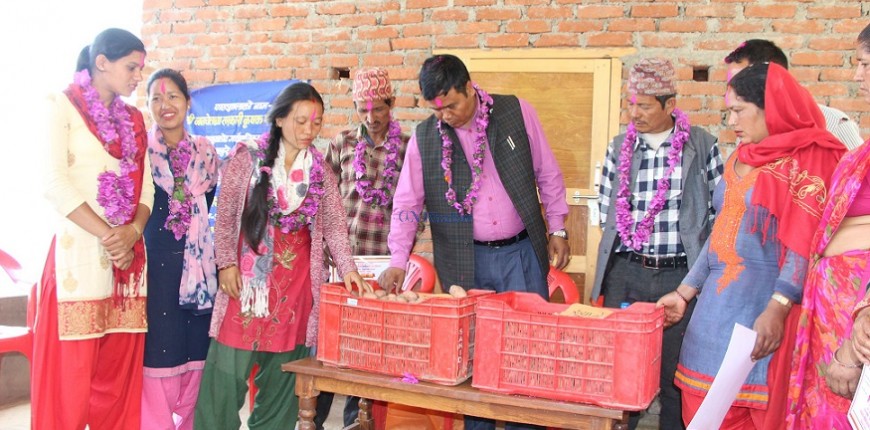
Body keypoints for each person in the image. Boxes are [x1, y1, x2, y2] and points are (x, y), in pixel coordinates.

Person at [380, 54, 569, 430]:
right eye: (437, 110)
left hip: (522, 255)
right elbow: (406, 203)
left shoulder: (516, 111)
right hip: (465, 263)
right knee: (472, 361)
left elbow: (547, 172)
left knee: (527, 355)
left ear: (470, 87)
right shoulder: (425, 138)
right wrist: (398, 259)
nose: (446, 116)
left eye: (452, 105)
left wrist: (559, 228)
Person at [657, 63, 844, 429]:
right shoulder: (739, 158)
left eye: (739, 109)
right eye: (729, 111)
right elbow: (720, 231)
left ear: (771, 107)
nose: (731, 121)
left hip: (765, 321)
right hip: (712, 318)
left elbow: (804, 243)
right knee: (703, 415)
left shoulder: (808, 159)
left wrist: (778, 306)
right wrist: (684, 292)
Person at [192, 82, 368, 430]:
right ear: (280, 119)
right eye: (300, 121)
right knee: (224, 381)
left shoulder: (320, 171)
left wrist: (348, 269)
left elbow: (334, 225)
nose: (308, 131)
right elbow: (225, 215)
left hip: (296, 289)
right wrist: (226, 263)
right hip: (245, 288)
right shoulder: (247, 159)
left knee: (283, 387)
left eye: (316, 123)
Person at [591, 57, 723, 430]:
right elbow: (606, 210)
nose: (635, 113)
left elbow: (719, 215)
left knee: (673, 376)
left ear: (669, 104)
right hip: (626, 272)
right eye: (630, 103)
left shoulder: (701, 146)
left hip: (678, 277)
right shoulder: (619, 148)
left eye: (644, 105)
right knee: (620, 373)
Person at [34, 28, 152, 430]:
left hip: (127, 266)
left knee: (117, 382)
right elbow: (54, 182)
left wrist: (133, 231)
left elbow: (148, 187)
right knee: (69, 383)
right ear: (101, 62)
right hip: (78, 259)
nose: (138, 76)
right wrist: (111, 235)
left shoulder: (135, 121)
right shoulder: (60, 106)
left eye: (141, 68)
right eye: (131, 67)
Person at [786, 24, 870, 429]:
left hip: (856, 313)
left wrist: (854, 349)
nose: (857, 76)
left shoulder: (840, 133)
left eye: (864, 64)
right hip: (833, 308)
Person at [319, 67, 410, 428]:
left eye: (378, 109)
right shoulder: (341, 143)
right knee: (330, 344)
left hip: (383, 264)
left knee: (370, 346)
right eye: (362, 110)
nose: (370, 118)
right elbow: (322, 200)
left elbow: (412, 204)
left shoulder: (407, 146)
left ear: (392, 104)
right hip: (342, 262)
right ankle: (312, 418)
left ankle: (357, 422)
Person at [142, 69, 219, 430]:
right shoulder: (141, 153)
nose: (165, 105)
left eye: (173, 96)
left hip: (199, 273)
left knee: (196, 351)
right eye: (156, 98)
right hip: (155, 268)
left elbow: (206, 206)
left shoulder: (206, 154)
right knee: (160, 349)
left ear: (188, 102)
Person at [724, 39, 864, 151]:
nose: (734, 89)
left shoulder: (836, 125)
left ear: (775, 78)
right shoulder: (746, 133)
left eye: (743, 81)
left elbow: (858, 179)